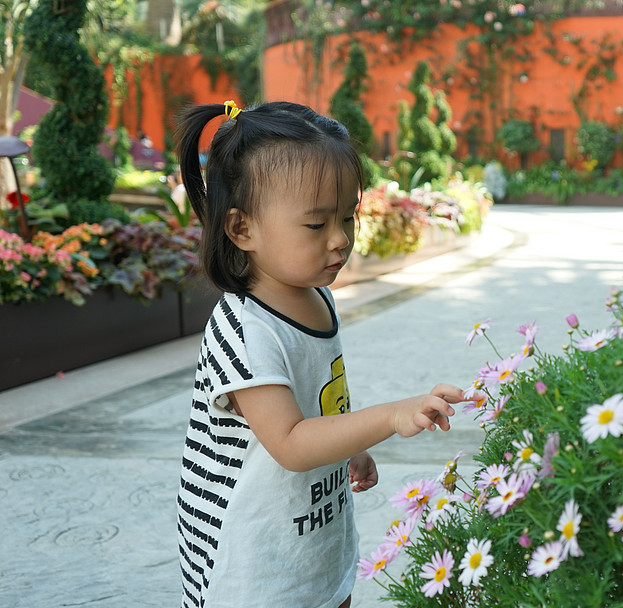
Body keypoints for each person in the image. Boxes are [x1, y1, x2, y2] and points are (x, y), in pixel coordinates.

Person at [173, 100, 465, 608]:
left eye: (347, 217)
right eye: (315, 225)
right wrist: (390, 416)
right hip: (252, 562)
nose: (340, 240)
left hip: (310, 541)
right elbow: (288, 440)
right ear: (242, 229)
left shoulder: (317, 295)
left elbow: (318, 400)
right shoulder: (244, 327)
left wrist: (349, 443)